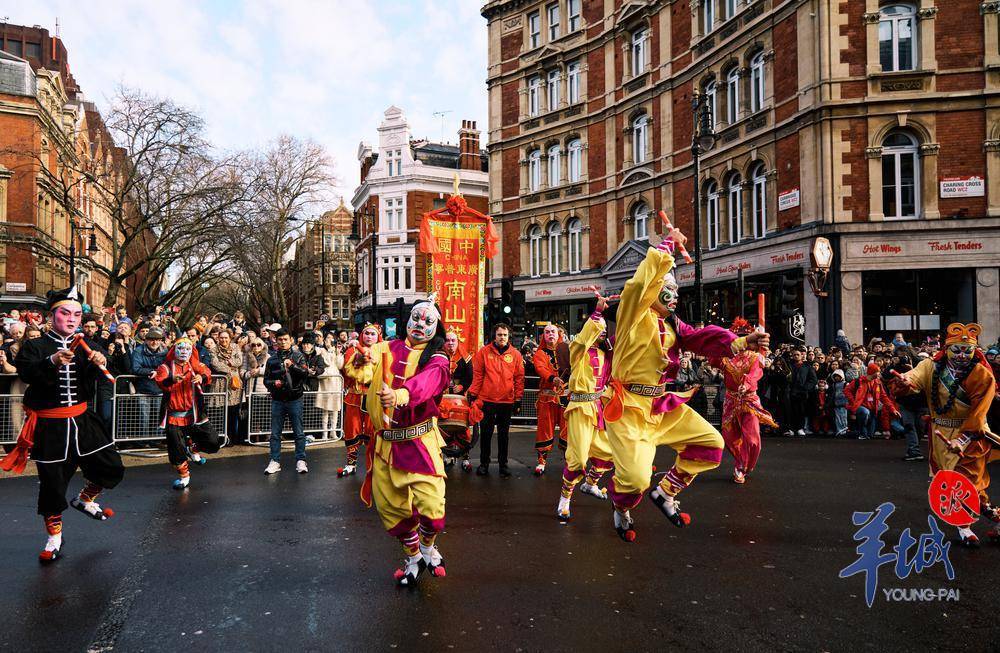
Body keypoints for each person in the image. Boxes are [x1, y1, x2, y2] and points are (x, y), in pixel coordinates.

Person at [602, 231, 769, 542]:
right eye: (669, 288)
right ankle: (621, 508)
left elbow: (701, 337)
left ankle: (665, 493)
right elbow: (639, 284)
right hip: (629, 409)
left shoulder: (672, 325)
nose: (675, 294)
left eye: (676, 288)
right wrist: (666, 246)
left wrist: (743, 342)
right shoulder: (632, 315)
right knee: (635, 479)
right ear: (653, 291)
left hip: (661, 405)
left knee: (710, 445)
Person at [0, 287, 124, 563]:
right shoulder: (36, 345)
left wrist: (100, 361)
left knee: (111, 466)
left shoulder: (86, 343)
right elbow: (27, 372)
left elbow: (97, 377)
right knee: (52, 484)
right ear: (52, 315)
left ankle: (84, 499)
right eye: (65, 313)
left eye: (77, 315)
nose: (72, 319)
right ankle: (54, 536)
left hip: (82, 420)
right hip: (51, 426)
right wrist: (52, 361)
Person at [360, 296, 451, 585]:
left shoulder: (438, 359)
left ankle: (427, 546)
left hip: (419, 443)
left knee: (433, 511)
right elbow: (361, 367)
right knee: (392, 512)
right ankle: (413, 559)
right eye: (415, 318)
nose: (419, 325)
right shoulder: (386, 347)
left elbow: (428, 383)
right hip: (385, 446)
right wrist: (360, 359)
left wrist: (400, 395)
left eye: (427, 321)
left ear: (436, 328)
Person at [890, 323, 999, 547]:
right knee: (950, 481)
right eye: (956, 350)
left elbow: (979, 413)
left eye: (967, 350)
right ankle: (989, 517)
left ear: (975, 350)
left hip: (971, 435)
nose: (961, 355)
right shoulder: (930, 366)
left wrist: (963, 439)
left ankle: (965, 528)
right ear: (946, 349)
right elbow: (914, 378)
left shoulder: (982, 375)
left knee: (968, 481)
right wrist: (905, 382)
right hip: (940, 434)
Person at [556, 295, 615, 520]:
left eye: (603, 329)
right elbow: (583, 338)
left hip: (598, 407)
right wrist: (598, 312)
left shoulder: (606, 355)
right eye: (596, 328)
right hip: (580, 408)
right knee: (578, 459)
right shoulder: (579, 351)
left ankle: (589, 484)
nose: (600, 331)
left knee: (608, 454)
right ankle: (564, 499)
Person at [152, 338, 222, 489]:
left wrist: (201, 377)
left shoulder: (195, 365)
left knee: (213, 442)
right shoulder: (166, 367)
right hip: (174, 416)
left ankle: (193, 449)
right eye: (181, 348)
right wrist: (172, 379)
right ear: (174, 350)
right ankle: (184, 477)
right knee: (176, 450)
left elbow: (207, 372)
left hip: (195, 414)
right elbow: (160, 381)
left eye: (187, 349)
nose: (184, 352)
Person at [714, 317, 776, 484]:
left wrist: (747, 383)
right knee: (729, 436)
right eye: (737, 336)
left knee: (753, 439)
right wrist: (718, 346)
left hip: (749, 400)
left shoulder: (755, 357)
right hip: (731, 400)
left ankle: (744, 466)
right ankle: (740, 463)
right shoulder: (725, 357)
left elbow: (756, 373)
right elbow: (713, 360)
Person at [469, 323, 525, 477]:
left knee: (503, 435)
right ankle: (484, 464)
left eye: (505, 335)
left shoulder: (516, 355)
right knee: (485, 434)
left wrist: (518, 399)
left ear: (509, 336)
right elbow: (478, 376)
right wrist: (473, 394)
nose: (502, 337)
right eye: (499, 335)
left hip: (506, 401)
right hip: (487, 400)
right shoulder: (484, 353)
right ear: (494, 336)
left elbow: (519, 379)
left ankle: (503, 464)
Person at [262, 329, 311, 475]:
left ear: (291, 340)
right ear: (275, 341)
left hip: (295, 398)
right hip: (277, 400)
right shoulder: (271, 360)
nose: (283, 342)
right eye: (280, 339)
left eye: (285, 339)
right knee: (275, 433)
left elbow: (305, 373)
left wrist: (292, 365)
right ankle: (274, 461)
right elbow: (266, 380)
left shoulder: (298, 356)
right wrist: (273, 383)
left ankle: (301, 460)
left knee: (299, 432)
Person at [339, 323, 381, 477]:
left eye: (372, 334)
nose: (369, 336)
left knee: (374, 431)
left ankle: (375, 465)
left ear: (378, 337)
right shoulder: (353, 350)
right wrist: (358, 360)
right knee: (352, 429)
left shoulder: (382, 352)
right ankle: (351, 463)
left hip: (374, 396)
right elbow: (346, 371)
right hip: (355, 396)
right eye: (366, 333)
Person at [532, 323, 569, 475]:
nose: (550, 334)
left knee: (568, 430)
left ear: (558, 334)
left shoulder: (567, 351)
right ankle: (541, 462)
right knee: (544, 430)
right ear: (543, 336)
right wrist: (553, 378)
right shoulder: (540, 353)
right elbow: (541, 369)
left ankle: (570, 462)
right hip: (547, 398)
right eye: (547, 332)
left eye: (553, 331)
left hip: (566, 397)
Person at [443, 327, 474, 472]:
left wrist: (461, 386)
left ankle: (465, 457)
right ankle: (447, 455)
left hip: (460, 397)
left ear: (457, 341)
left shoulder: (465, 357)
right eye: (447, 340)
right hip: (443, 397)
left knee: (463, 428)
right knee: (445, 426)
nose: (450, 343)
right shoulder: (439, 355)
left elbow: (470, 377)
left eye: (453, 340)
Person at [846, 362, 899, 440]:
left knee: (870, 435)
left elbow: (884, 397)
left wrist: (893, 409)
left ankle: (852, 433)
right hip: (861, 407)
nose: (879, 373)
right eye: (877, 371)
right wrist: (853, 401)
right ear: (872, 372)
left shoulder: (878, 383)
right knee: (865, 412)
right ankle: (861, 432)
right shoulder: (858, 381)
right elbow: (847, 390)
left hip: (873, 410)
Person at [131, 328, 168, 438]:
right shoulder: (138, 351)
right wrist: (150, 371)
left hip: (160, 389)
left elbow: (168, 367)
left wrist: (160, 372)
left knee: (158, 416)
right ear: (146, 340)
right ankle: (143, 440)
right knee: (143, 417)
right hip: (144, 389)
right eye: (152, 340)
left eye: (157, 340)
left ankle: (156, 439)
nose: (155, 342)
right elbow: (135, 368)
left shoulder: (165, 351)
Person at [209, 329, 244, 445]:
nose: (224, 340)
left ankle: (232, 438)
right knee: (219, 412)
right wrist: (229, 368)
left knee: (232, 412)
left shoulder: (236, 347)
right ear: (218, 338)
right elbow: (215, 364)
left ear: (230, 338)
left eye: (226, 337)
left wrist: (229, 363)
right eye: (221, 337)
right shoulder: (214, 349)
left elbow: (239, 361)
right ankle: (220, 438)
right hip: (219, 383)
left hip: (233, 384)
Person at [297, 333, 327, 441]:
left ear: (312, 345)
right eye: (304, 344)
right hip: (299, 385)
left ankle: (309, 433)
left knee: (310, 410)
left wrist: (315, 371)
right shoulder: (297, 354)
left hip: (312, 385)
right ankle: (298, 433)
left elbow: (321, 367)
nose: (306, 346)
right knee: (299, 410)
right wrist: (305, 371)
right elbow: (294, 366)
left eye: (308, 344)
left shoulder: (318, 355)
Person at [315, 337, 344, 441]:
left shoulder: (336, 351)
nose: (329, 342)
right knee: (325, 409)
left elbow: (340, 365)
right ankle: (324, 433)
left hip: (336, 381)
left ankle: (333, 431)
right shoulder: (321, 350)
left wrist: (339, 353)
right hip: (326, 382)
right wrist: (330, 351)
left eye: (331, 340)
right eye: (327, 339)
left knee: (335, 408)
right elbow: (326, 362)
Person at [787, 347, 817, 436]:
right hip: (791, 392)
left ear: (801, 356)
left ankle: (800, 428)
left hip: (803, 393)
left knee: (801, 411)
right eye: (794, 355)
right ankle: (791, 429)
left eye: (798, 355)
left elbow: (813, 379)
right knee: (791, 411)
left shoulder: (807, 366)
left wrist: (805, 388)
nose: (796, 356)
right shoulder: (789, 365)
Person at [829, 369, 849, 437]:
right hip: (836, 403)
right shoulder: (833, 384)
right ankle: (839, 430)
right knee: (837, 418)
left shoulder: (846, 384)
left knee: (843, 417)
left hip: (844, 403)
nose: (836, 377)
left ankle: (844, 430)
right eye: (835, 376)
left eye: (838, 376)